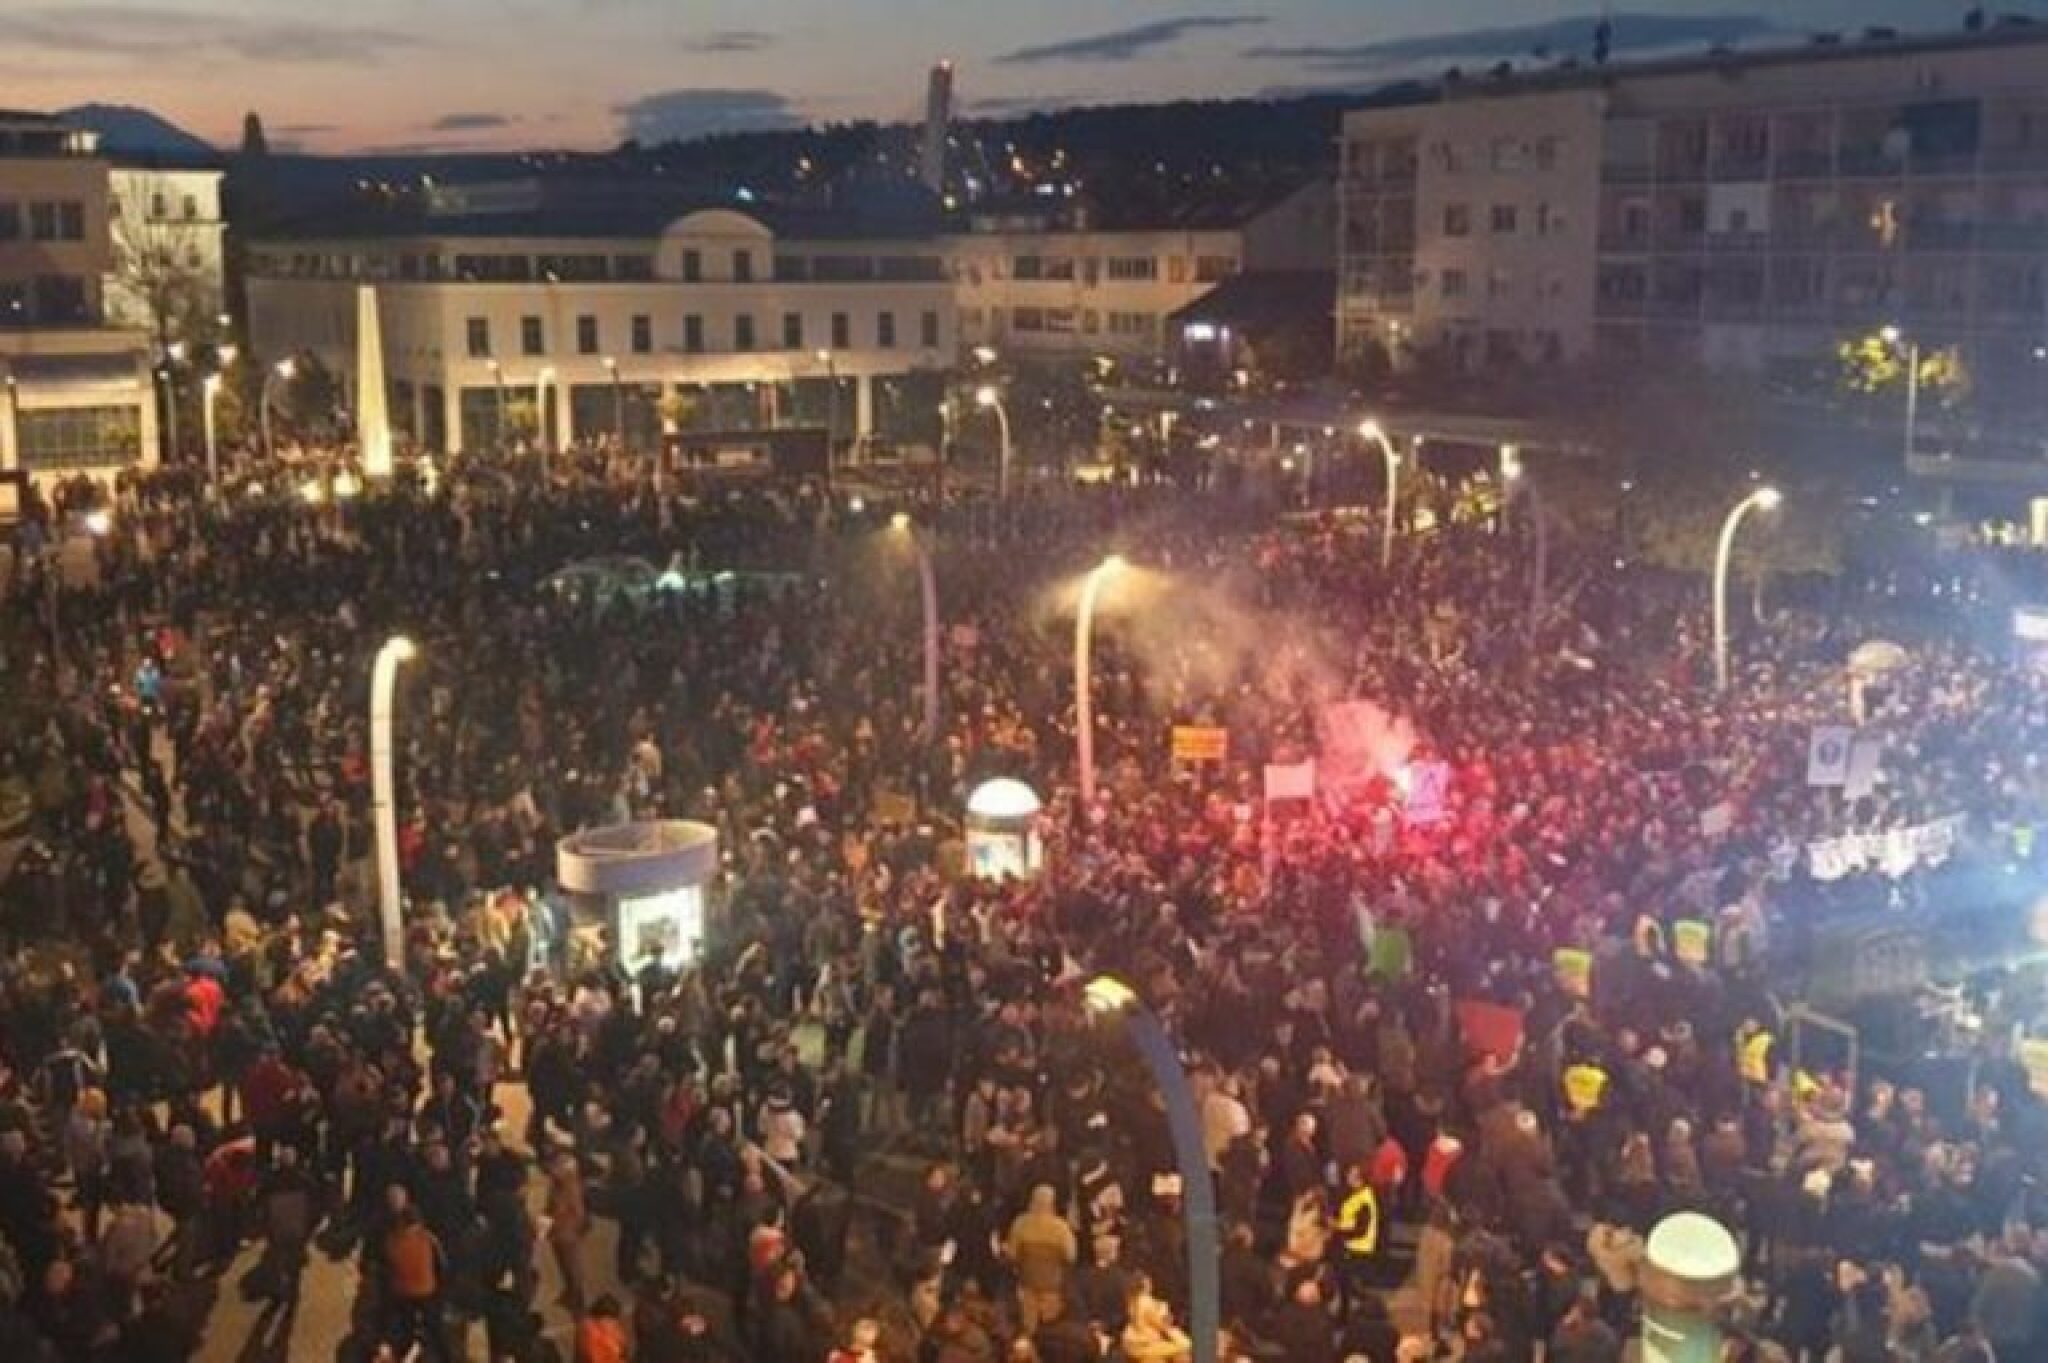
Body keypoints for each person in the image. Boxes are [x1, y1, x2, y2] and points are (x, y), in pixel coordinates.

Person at [1006, 1183, 1078, 1331]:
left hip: (1027, 1284)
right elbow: (1071, 1256)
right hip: (1052, 1286)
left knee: (1029, 1327)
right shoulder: (1061, 1228)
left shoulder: (1020, 1224)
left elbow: (1012, 1255)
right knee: (1050, 1327)